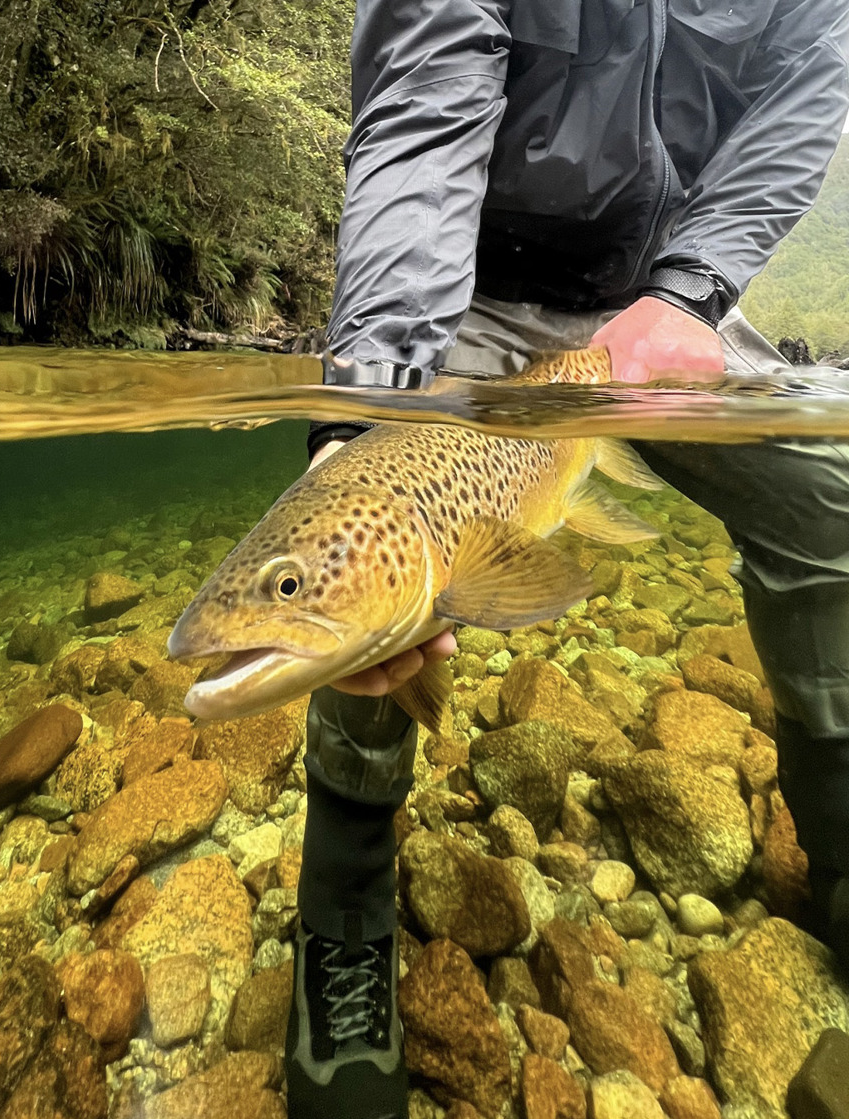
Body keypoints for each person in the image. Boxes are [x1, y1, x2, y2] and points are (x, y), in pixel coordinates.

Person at [284, 3, 849, 1117]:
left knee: (831, 509)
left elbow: (800, 99)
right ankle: (345, 902)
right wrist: (363, 420)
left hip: (659, 298)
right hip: (466, 286)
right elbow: (419, 121)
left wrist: (689, 295)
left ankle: (836, 839)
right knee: (376, 558)